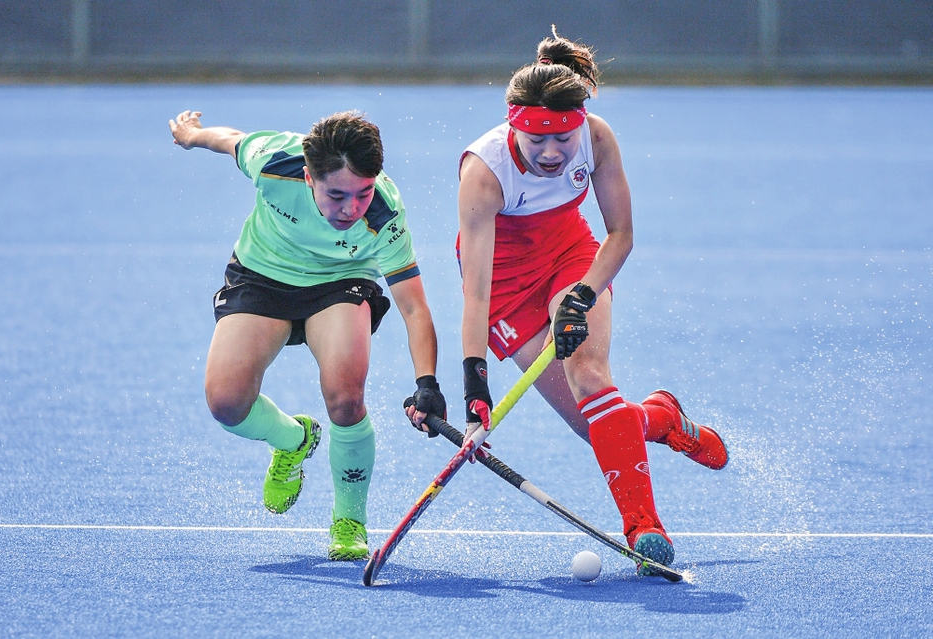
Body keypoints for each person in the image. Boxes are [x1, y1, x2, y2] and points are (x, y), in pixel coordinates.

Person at [445, 29, 729, 575]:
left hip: (571, 258)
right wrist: (475, 387)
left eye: (563, 139)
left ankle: (644, 529)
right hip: (505, 287)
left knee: (591, 378)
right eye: (537, 142)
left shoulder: (597, 138)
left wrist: (581, 296)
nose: (552, 153)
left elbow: (621, 233)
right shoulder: (483, 172)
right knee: (592, 424)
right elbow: (476, 291)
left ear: (580, 123)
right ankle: (663, 418)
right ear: (513, 126)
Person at [169, 109, 447, 561]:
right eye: (336, 195)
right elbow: (230, 139)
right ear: (307, 176)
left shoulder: (384, 214)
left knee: (345, 397)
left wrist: (427, 383)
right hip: (263, 275)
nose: (351, 209)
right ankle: (293, 439)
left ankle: (349, 521)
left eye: (363, 193)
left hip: (340, 282)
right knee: (226, 403)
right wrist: (193, 135)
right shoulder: (273, 160)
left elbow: (414, 307)